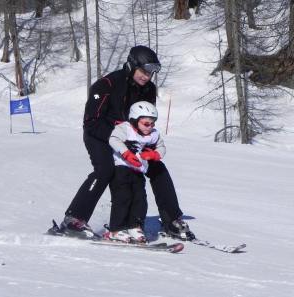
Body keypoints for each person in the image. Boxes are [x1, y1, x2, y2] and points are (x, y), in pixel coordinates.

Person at [59, 45, 195, 241]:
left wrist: (149, 149)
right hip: (100, 136)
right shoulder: (106, 85)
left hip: (131, 139)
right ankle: (74, 218)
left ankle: (171, 221)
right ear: (132, 66)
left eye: (150, 72)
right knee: (105, 169)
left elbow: (145, 119)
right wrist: (119, 138)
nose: (146, 76)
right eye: (143, 71)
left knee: (157, 167)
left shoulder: (149, 89)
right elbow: (91, 123)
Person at [106, 101, 164, 243]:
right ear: (135, 119)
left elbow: (162, 147)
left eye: (152, 124)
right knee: (123, 199)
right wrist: (126, 153)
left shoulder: (153, 135)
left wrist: (155, 155)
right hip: (121, 169)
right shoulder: (125, 128)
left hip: (138, 172)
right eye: (146, 123)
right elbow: (113, 140)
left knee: (140, 200)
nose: (150, 127)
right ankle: (116, 229)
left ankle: (135, 226)